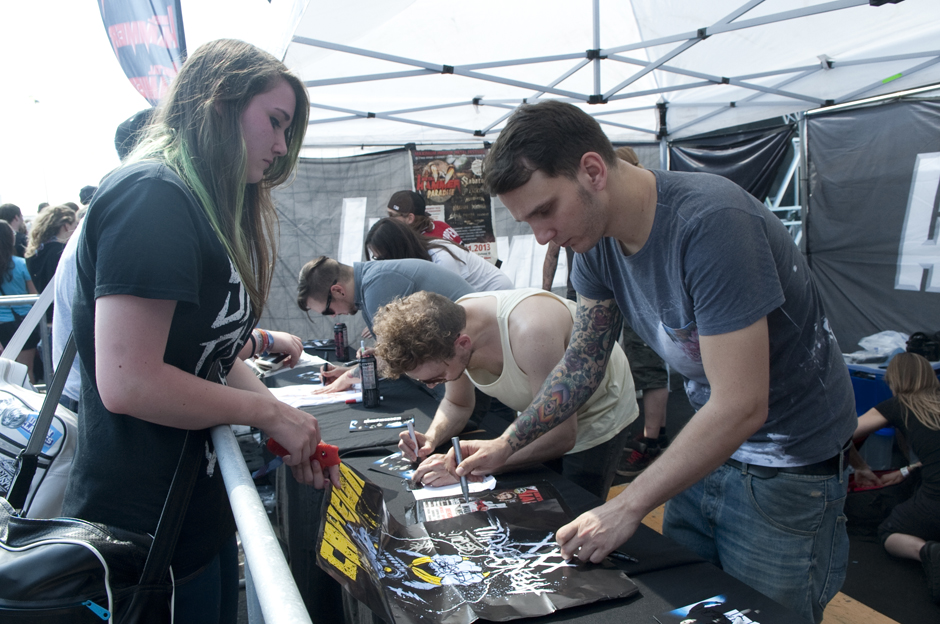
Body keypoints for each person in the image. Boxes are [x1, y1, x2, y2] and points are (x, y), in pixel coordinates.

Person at [451, 100, 856, 623]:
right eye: (528, 220)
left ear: (593, 171)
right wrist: (507, 445)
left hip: (789, 472)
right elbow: (584, 361)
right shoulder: (593, 239)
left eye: (545, 210)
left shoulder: (711, 224)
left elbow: (742, 404)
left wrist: (626, 504)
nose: (542, 236)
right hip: (704, 454)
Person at [60, 39, 339, 623]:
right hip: (142, 527)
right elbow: (128, 381)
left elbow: (210, 354)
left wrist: (288, 425)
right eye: (276, 122)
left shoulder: (197, 203)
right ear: (219, 102)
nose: (282, 146)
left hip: (194, 513)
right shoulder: (153, 196)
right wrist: (268, 415)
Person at [373, 289, 638, 499]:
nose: (432, 386)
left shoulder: (531, 333)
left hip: (599, 409)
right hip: (536, 408)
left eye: (436, 378)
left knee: (576, 503)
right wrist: (431, 437)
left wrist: (472, 466)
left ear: (463, 344)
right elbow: (457, 402)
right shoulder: (450, 331)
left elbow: (561, 435)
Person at [296, 256, 474, 393]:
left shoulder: (377, 285)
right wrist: (350, 370)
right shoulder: (371, 281)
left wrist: (349, 377)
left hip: (467, 365)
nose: (334, 316)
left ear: (338, 291)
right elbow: (392, 354)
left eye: (329, 310)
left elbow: (392, 356)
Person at [851, 352, 940, 603]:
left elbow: (843, 433)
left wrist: (860, 466)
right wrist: (906, 470)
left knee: (890, 534)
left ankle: (926, 551)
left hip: (934, 504)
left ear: (894, 381)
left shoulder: (900, 404)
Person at [365, 217, 514, 292]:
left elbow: (450, 306)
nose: (380, 264)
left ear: (396, 250)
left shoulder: (440, 257)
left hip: (497, 298)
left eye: (382, 258)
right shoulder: (422, 258)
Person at [0, 221, 39, 382]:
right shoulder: (21, 264)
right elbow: (34, 294)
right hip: (23, 324)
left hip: (2, 325)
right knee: (25, 371)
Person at [25, 204, 77, 294]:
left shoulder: (34, 252)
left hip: (44, 306)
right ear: (66, 226)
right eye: (75, 226)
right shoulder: (64, 252)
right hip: (63, 306)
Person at [386, 190, 463, 244]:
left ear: (410, 218)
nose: (389, 220)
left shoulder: (422, 243)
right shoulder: (440, 224)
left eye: (392, 215)